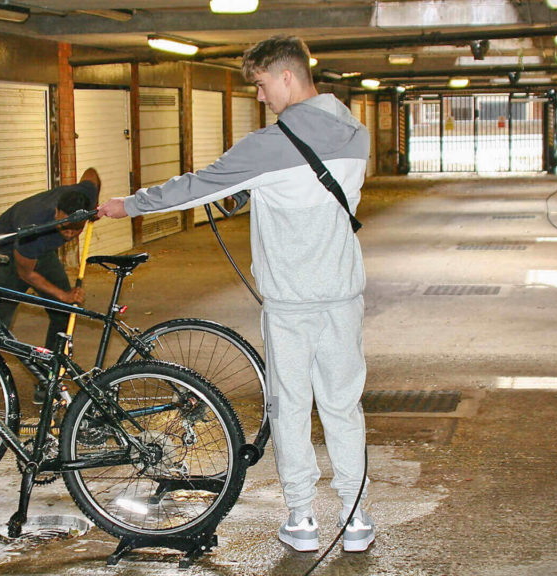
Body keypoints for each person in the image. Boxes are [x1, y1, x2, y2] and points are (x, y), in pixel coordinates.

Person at [98, 35, 374, 553]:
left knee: (290, 406)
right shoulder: (356, 133)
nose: (262, 97)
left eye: (263, 85)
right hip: (343, 295)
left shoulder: (269, 145)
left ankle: (302, 519)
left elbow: (197, 186)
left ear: (287, 77)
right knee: (343, 406)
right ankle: (356, 518)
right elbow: (312, 193)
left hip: (292, 300)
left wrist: (128, 205)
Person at [0, 167, 100, 403]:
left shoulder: (84, 197)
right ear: (57, 212)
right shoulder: (34, 227)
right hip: (9, 251)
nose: (68, 234)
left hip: (41, 252)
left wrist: (95, 208)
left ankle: (47, 381)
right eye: (64, 227)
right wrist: (64, 295)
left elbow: (91, 174)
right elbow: (26, 274)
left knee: (63, 314)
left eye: (76, 229)